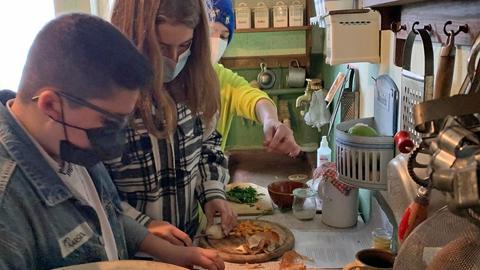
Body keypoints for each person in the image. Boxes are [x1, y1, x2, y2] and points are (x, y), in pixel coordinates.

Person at [0, 13, 223, 270]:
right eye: (108, 124)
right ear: (51, 105)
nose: (114, 139)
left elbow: (106, 214)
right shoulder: (7, 204)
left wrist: (172, 253)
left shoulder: (68, 141)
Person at [107, 0, 236, 247]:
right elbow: (93, 189)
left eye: (185, 46)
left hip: (189, 243)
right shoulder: (108, 100)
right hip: (131, 254)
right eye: (162, 47)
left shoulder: (197, 84)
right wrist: (144, 228)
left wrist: (212, 192)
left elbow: (208, 145)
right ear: (133, 39)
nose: (174, 59)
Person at [208, 0, 301, 156]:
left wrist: (270, 120)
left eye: (224, 36)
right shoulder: (170, 75)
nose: (216, 43)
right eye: (211, 32)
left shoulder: (223, 78)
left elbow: (254, 98)